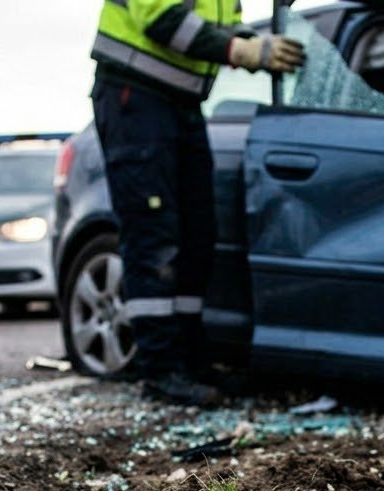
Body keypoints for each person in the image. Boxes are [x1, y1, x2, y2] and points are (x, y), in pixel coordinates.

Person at [90, 1, 304, 406]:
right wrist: (240, 51)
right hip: (134, 96)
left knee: (196, 235)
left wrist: (249, 42)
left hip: (181, 104)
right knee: (154, 235)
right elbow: (161, 18)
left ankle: (190, 361)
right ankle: (159, 370)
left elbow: (222, 25)